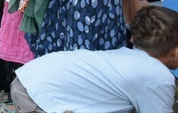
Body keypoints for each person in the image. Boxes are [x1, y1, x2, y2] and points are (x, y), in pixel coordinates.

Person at [9, 6, 178, 113]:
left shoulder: (127, 56)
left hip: (31, 78)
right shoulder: (158, 77)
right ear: (176, 53)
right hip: (38, 97)